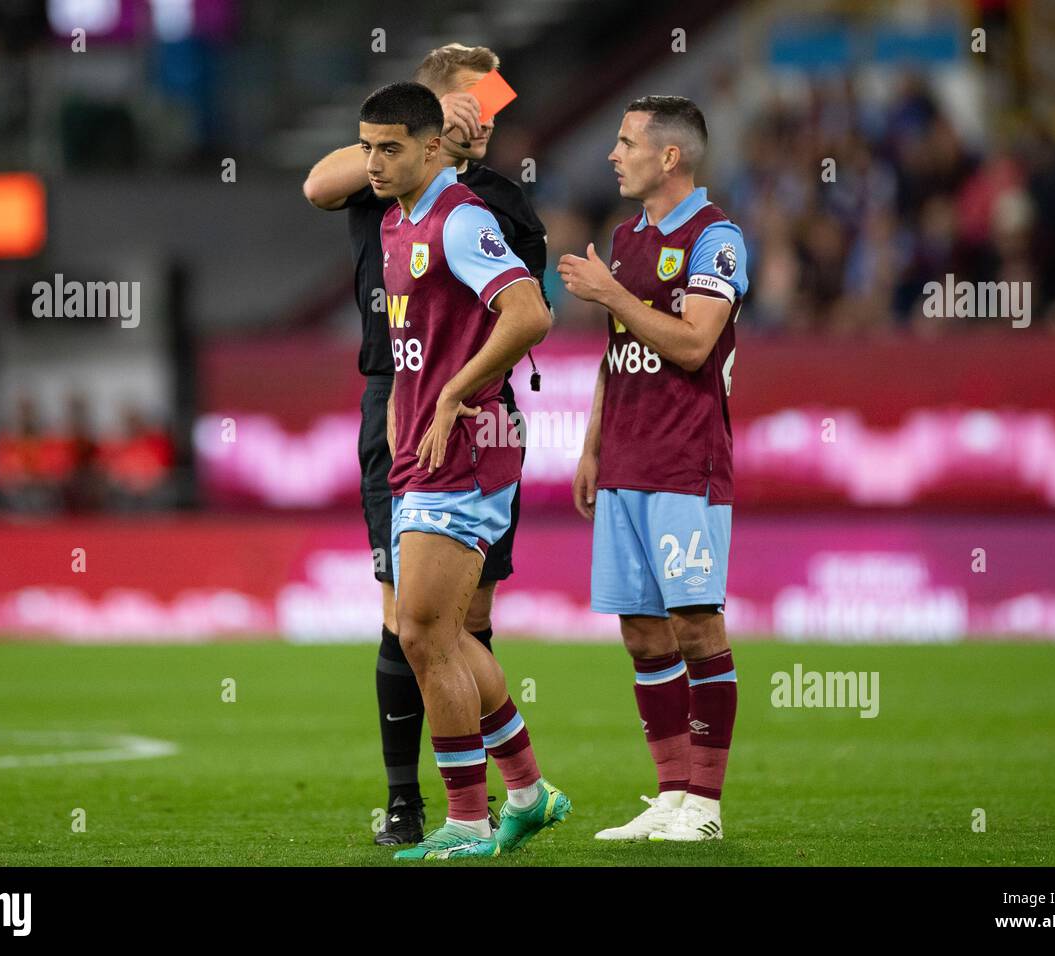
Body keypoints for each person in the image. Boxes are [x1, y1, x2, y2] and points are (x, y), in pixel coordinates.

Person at [303, 43, 549, 845]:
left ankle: (469, 818)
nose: (484, 118)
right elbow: (320, 182)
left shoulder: (476, 211)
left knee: (430, 630)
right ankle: (516, 793)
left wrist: (452, 392)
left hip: (466, 426)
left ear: (430, 147)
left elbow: (527, 313)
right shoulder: (392, 207)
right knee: (425, 630)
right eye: (470, 102)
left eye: (491, 109)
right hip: (406, 422)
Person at [559, 95, 748, 842]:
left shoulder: (717, 239)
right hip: (626, 462)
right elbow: (617, 354)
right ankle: (669, 796)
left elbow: (697, 343)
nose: (613, 154)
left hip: (684, 462)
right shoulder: (627, 236)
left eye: (626, 141)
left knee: (695, 626)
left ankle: (705, 806)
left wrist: (610, 293)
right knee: (641, 633)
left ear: (670, 157)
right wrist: (592, 444)